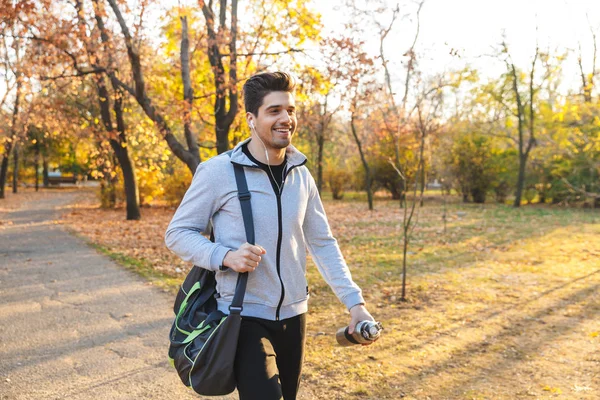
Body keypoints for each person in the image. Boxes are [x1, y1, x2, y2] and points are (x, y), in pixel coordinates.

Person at [165, 71, 375, 400]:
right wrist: (225, 256)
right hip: (243, 315)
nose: (286, 119)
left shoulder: (301, 175)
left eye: (290, 110)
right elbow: (177, 233)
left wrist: (355, 304)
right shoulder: (218, 172)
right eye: (274, 110)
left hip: (295, 314)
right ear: (251, 118)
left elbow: (322, 243)